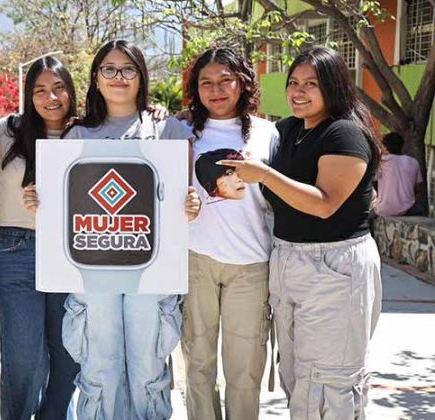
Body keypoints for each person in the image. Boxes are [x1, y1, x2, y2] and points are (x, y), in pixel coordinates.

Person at [25, 39, 200, 420]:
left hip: (150, 269)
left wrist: (190, 205)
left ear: (141, 76)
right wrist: (41, 203)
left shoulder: (167, 129)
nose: (118, 77)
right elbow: (62, 201)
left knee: (148, 366)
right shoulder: (77, 134)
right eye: (109, 69)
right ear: (96, 78)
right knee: (99, 368)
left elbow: (181, 195)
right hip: (92, 268)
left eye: (128, 69)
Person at [218, 46, 382, 420]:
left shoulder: (345, 134)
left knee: (329, 382)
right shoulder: (289, 129)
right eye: (293, 82)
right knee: (297, 377)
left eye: (311, 83)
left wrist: (265, 175)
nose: (298, 91)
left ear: (334, 86)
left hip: (335, 265)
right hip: (288, 259)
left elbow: (325, 204)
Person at [0, 56, 80, 420]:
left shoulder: (86, 132)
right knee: (23, 358)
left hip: (70, 251)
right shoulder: (9, 129)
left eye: (58, 88)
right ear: (28, 96)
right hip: (15, 250)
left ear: (71, 91)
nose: (51, 98)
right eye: (40, 90)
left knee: (68, 355)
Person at [181, 47, 277, 420]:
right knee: (197, 363)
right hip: (196, 260)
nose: (216, 90)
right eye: (206, 82)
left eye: (225, 80)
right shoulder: (180, 131)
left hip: (250, 265)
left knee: (245, 368)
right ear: (196, 88)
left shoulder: (268, 133)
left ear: (243, 82)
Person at [374, 132, 426, 216]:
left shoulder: (381, 162)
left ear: (385, 147)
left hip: (383, 209)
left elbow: (374, 185)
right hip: (408, 209)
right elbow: (418, 188)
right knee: (421, 209)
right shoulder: (413, 162)